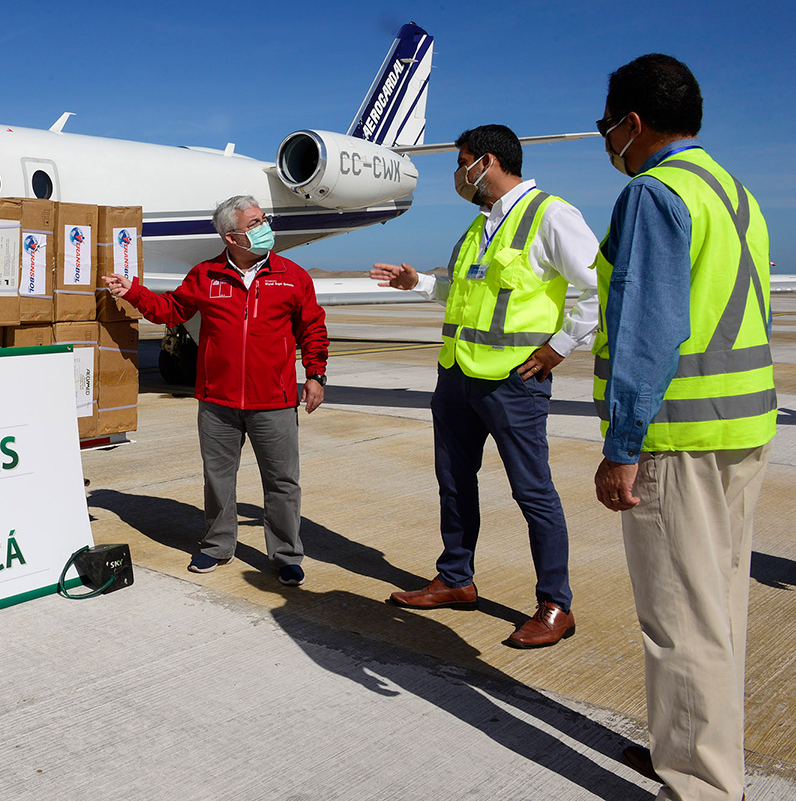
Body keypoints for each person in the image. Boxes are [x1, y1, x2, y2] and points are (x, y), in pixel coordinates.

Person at [592, 54, 773, 801]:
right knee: (719, 610)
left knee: (679, 622)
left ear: (633, 124)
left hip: (679, 437)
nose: (608, 143)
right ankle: (691, 749)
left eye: (608, 128)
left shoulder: (653, 194)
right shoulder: (736, 193)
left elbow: (647, 330)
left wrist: (621, 446)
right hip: (744, 430)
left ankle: (698, 785)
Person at [370, 124, 598, 648]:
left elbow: (595, 288)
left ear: (486, 162)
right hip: (457, 375)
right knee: (453, 479)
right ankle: (456, 579)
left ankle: (555, 604)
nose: (457, 174)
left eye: (461, 162)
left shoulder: (551, 216)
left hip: (514, 382)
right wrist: (419, 283)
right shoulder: (478, 227)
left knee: (532, 491)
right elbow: (463, 293)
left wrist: (559, 346)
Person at [101, 195, 328, 586]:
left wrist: (315, 375)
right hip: (217, 402)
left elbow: (313, 328)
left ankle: (286, 554)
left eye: (263, 219)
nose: (264, 227)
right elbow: (170, 309)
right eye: (254, 223)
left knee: (282, 482)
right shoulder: (206, 276)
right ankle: (218, 546)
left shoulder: (292, 276)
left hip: (272, 402)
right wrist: (132, 291)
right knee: (219, 479)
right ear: (231, 237)